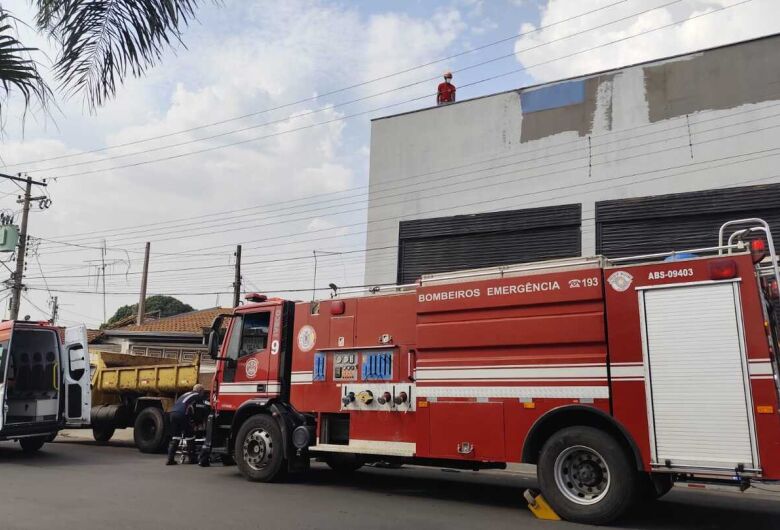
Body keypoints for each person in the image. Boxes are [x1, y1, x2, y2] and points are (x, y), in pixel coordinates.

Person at [166, 383, 208, 465]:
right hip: (183, 414)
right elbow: (199, 411)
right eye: (203, 391)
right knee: (190, 436)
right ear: (200, 391)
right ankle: (192, 458)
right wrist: (197, 423)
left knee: (175, 437)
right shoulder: (198, 396)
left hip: (173, 414)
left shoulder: (185, 394)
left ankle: (170, 459)